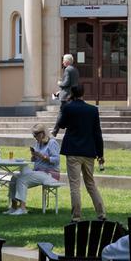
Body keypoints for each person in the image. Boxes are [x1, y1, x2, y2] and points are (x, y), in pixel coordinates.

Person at [54, 82, 105, 220]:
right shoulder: (92, 110)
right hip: (89, 151)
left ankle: (76, 216)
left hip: (73, 151)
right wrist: (100, 154)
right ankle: (101, 213)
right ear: (83, 93)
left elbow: (62, 124)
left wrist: (66, 106)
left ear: (72, 93)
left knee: (75, 185)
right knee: (91, 184)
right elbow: (97, 133)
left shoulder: (68, 108)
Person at [5, 125, 61, 216]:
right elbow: (36, 160)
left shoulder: (52, 143)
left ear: (43, 133)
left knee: (22, 179)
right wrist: (34, 157)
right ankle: (14, 207)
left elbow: (56, 160)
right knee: (14, 178)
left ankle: (22, 208)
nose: (35, 137)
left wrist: (42, 156)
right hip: (38, 172)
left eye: (36, 135)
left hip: (50, 174)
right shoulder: (38, 143)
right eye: (34, 135)